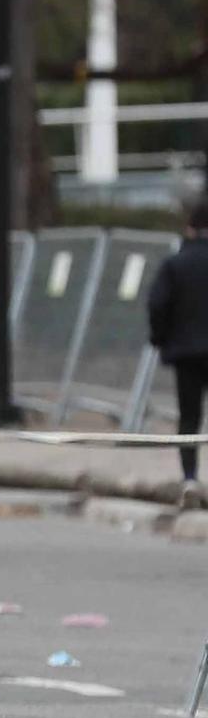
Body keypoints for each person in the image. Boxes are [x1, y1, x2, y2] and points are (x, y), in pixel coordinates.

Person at [149, 198, 208, 505]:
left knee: (189, 417)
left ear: (190, 228)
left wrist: (160, 338)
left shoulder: (175, 263)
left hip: (186, 352)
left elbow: (158, 304)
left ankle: (190, 479)